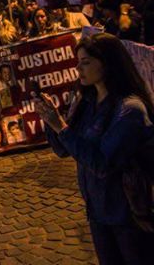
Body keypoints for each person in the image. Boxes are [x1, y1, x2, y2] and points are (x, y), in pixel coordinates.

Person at [35, 33, 154, 263]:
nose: (78, 68)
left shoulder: (130, 109)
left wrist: (60, 125)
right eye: (78, 61)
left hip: (128, 216)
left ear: (108, 64)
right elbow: (64, 150)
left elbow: (102, 163)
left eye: (86, 62)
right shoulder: (88, 103)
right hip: (98, 213)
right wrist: (51, 120)